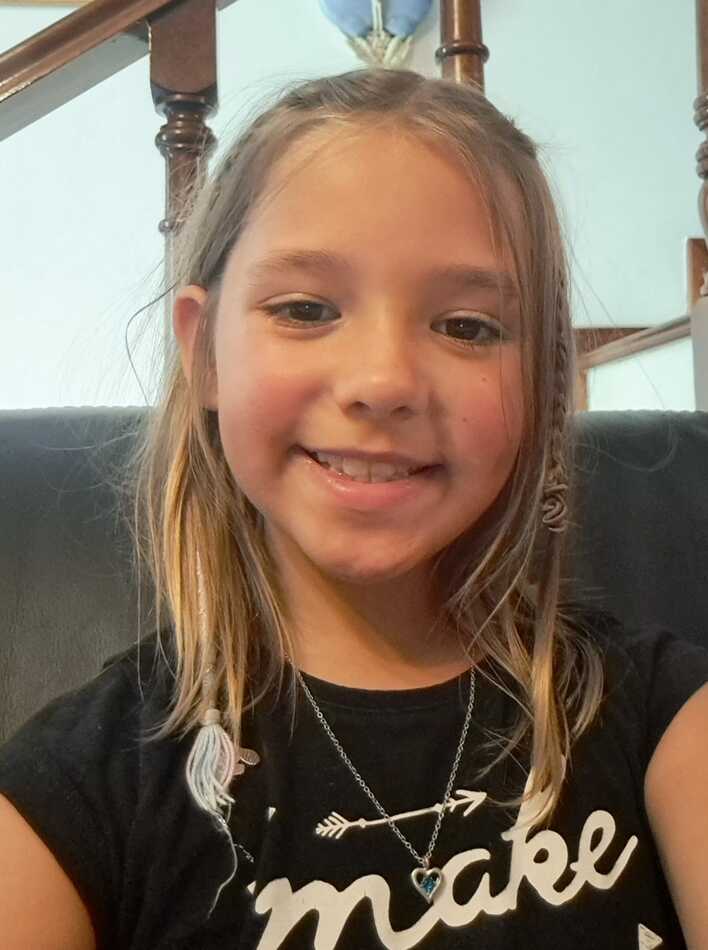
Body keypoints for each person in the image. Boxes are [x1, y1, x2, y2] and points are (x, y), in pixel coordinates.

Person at [0, 67, 707, 950]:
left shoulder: (666, 719)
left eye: (467, 326)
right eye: (306, 309)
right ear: (205, 352)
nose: (382, 381)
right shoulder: (79, 790)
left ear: (542, 381)